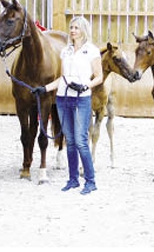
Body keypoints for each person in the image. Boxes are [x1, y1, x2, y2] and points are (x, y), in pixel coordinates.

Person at [32, 16, 103, 195]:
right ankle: (72, 180)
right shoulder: (66, 51)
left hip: (81, 98)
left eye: (76, 28)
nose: (72, 31)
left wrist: (86, 85)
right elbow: (62, 78)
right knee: (69, 141)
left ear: (84, 30)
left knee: (80, 141)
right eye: (71, 27)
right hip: (63, 98)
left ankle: (90, 180)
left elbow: (99, 76)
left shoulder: (92, 51)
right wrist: (44, 88)